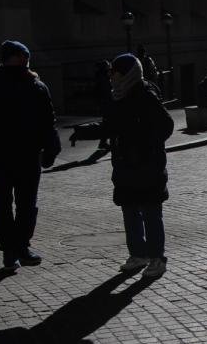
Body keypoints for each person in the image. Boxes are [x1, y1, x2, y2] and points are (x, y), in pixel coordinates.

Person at [70, 54, 174, 279]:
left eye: (116, 73)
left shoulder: (145, 95)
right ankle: (138, 255)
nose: (112, 77)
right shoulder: (117, 97)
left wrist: (144, 145)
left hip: (147, 165)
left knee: (150, 213)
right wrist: (84, 131)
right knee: (130, 211)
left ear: (129, 74)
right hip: (125, 165)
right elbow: (110, 127)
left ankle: (157, 258)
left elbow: (166, 126)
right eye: (112, 74)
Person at [0, 40, 61, 271]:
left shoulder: (27, 86)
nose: (25, 61)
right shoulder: (17, 86)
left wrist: (51, 148)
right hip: (8, 155)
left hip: (13, 155)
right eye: (22, 57)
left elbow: (47, 121)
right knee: (13, 203)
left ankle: (16, 248)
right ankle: (15, 248)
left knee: (13, 204)